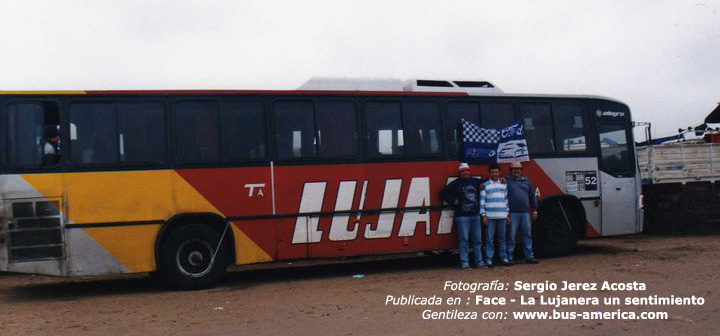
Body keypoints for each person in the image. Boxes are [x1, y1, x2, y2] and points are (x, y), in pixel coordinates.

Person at [440, 162, 484, 270]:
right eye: (463, 171)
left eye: (467, 171)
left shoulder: (476, 181)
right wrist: (453, 201)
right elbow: (442, 193)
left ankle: (479, 262)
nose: (465, 173)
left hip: (475, 215)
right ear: (460, 173)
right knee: (464, 240)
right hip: (462, 216)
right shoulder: (455, 184)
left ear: (469, 172)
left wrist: (501, 179)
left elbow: (489, 183)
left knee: (477, 240)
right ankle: (465, 263)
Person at [505, 161, 539, 264]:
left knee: (527, 235)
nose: (516, 171)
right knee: (511, 236)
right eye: (514, 169)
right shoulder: (506, 181)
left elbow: (532, 197)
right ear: (511, 171)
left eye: (518, 169)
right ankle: (509, 257)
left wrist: (534, 210)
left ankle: (529, 256)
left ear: (521, 171)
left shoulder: (527, 181)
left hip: (525, 213)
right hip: (512, 213)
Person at [480, 163, 510, 267]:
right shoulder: (485, 185)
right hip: (490, 217)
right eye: (493, 172)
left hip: (502, 216)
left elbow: (506, 200)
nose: (495, 174)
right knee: (489, 239)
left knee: (502, 238)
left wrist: (507, 214)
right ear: (489, 173)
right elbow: (482, 201)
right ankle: (489, 260)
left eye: (496, 172)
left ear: (499, 172)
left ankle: (504, 258)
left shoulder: (503, 184)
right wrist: (483, 215)